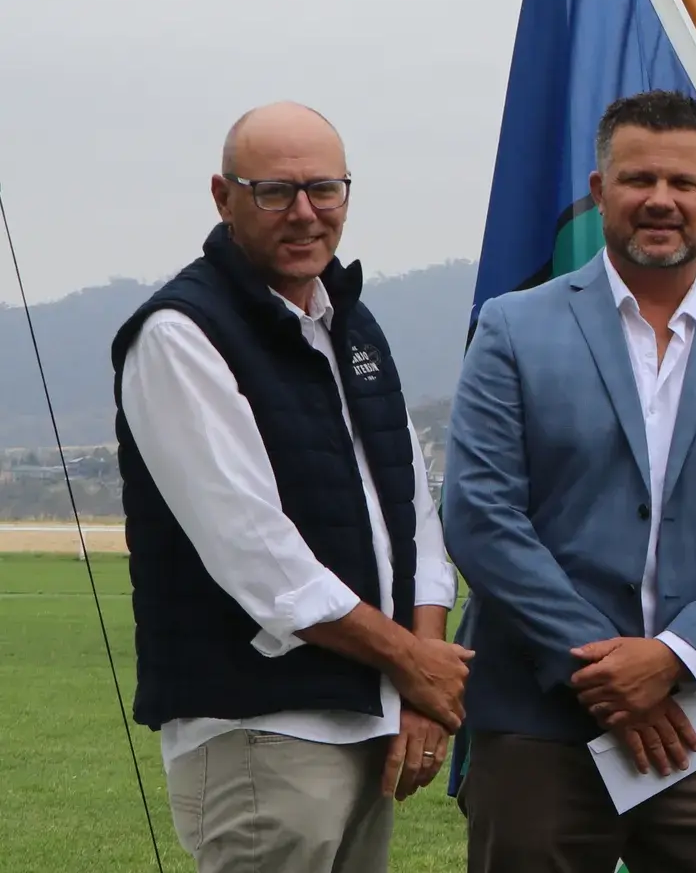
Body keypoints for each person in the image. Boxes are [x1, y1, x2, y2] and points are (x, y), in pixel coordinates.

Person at [442, 90, 696, 873]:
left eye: (683, 183)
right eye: (638, 179)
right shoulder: (512, 329)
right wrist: (605, 669)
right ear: (599, 190)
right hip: (540, 717)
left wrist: (676, 658)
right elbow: (481, 517)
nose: (661, 200)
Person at [109, 103, 468, 873]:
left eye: (324, 190)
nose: (305, 213)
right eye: (275, 191)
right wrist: (413, 660)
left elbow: (412, 516)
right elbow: (256, 555)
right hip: (259, 733)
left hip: (369, 722)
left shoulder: (352, 326)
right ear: (223, 196)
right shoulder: (179, 335)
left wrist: (420, 682)